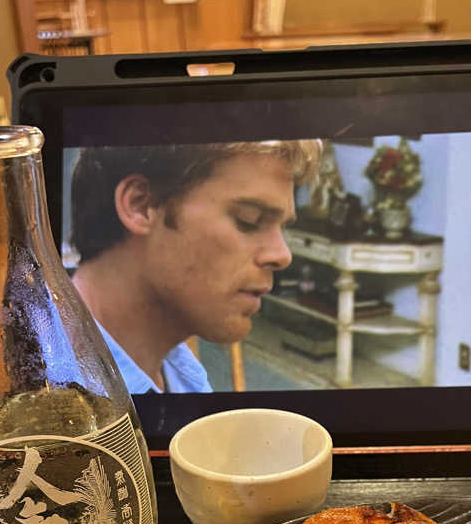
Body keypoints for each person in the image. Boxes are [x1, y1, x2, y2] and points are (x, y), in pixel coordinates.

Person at [69, 140, 321, 394]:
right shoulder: (46, 390)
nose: (282, 255)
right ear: (141, 205)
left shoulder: (184, 378)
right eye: (249, 220)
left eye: (282, 228)